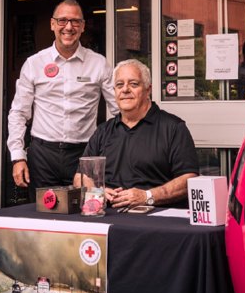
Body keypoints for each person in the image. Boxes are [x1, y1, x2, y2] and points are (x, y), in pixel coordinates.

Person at [7, 0, 119, 202]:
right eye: (62, 20)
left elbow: (119, 110)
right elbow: (19, 113)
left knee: (88, 210)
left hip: (84, 155)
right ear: (52, 24)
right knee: (43, 216)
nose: (69, 27)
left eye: (75, 21)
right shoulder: (34, 64)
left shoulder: (99, 64)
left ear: (83, 26)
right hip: (42, 155)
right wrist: (18, 156)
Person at [74, 59, 199, 208]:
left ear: (148, 90)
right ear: (114, 91)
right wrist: (97, 191)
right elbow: (81, 176)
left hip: (155, 216)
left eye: (133, 84)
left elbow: (189, 179)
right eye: (120, 85)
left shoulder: (173, 128)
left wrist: (147, 196)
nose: (125, 89)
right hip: (108, 215)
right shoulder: (103, 131)